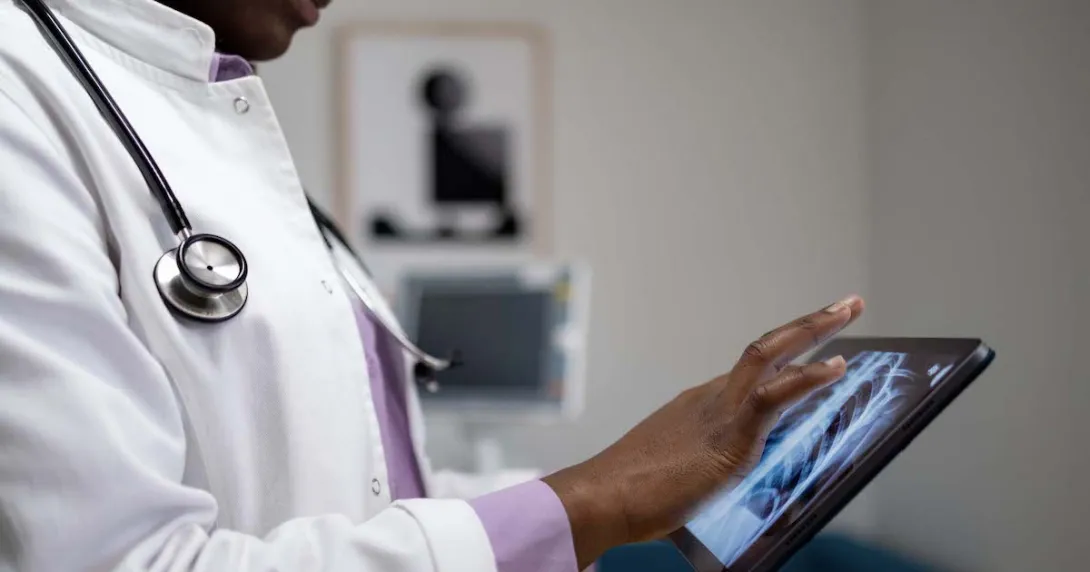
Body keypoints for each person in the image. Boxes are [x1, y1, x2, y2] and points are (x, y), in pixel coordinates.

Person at [0, 1, 865, 571]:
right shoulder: (19, 92)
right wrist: (600, 497)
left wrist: (649, 485)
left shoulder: (212, 126)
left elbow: (373, 499)